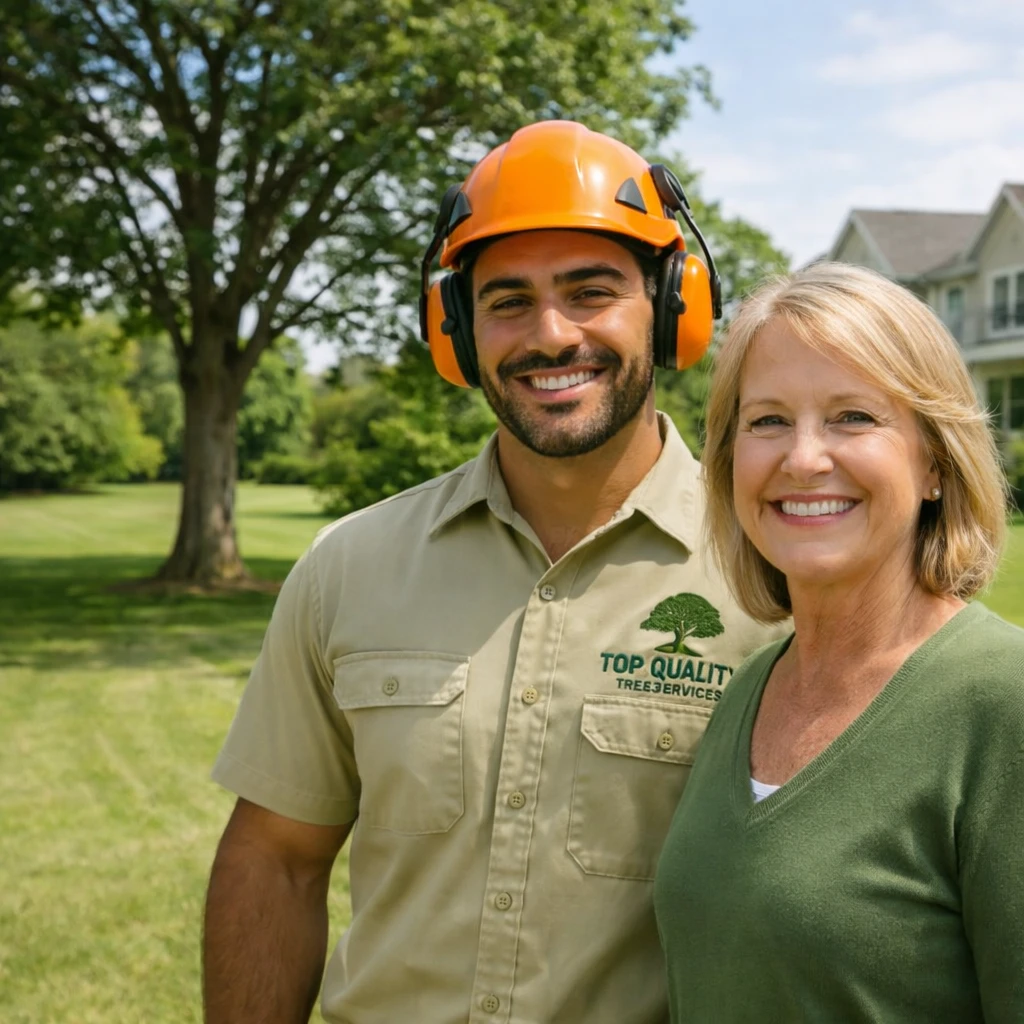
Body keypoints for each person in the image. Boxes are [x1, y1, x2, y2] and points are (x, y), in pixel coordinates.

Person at [201, 119, 783, 1024]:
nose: (550, 335)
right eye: (507, 300)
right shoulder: (347, 568)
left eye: (592, 291)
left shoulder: (773, 580)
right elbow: (276, 857)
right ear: (457, 332)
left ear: (673, 308)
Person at [654, 261, 1024, 1023]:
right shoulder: (746, 692)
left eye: (854, 417)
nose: (803, 457)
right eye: (767, 421)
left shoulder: (1004, 706)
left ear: (933, 462)